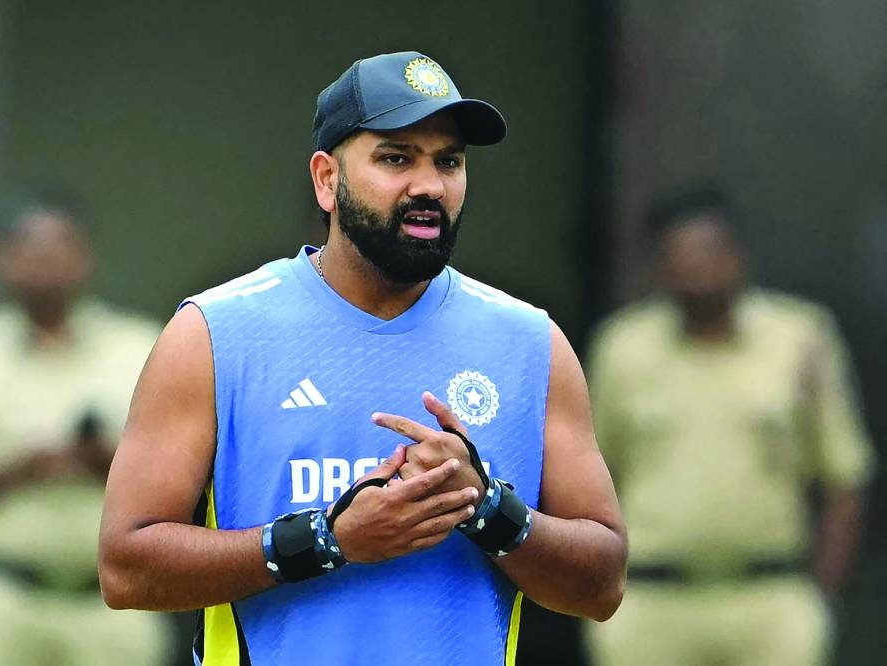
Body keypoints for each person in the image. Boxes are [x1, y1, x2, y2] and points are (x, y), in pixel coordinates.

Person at [98, 51, 628, 666]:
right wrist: (328, 540)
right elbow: (126, 570)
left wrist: (485, 509)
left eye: (448, 161)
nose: (428, 185)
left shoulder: (530, 342)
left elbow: (602, 586)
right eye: (395, 158)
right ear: (327, 179)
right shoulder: (215, 332)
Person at [584, 188, 877, 665]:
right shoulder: (623, 348)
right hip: (649, 605)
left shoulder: (801, 339)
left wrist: (820, 598)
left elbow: (845, 472)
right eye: (678, 255)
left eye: (706, 251)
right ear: (659, 267)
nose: (694, 266)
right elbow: (590, 471)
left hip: (770, 601)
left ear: (737, 257)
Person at [0, 199, 173, 665]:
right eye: (28, 248)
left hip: (112, 600)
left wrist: (105, 461)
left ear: (87, 256)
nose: (46, 262)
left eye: (60, 247)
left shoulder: (145, 346)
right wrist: (15, 472)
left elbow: (190, 479)